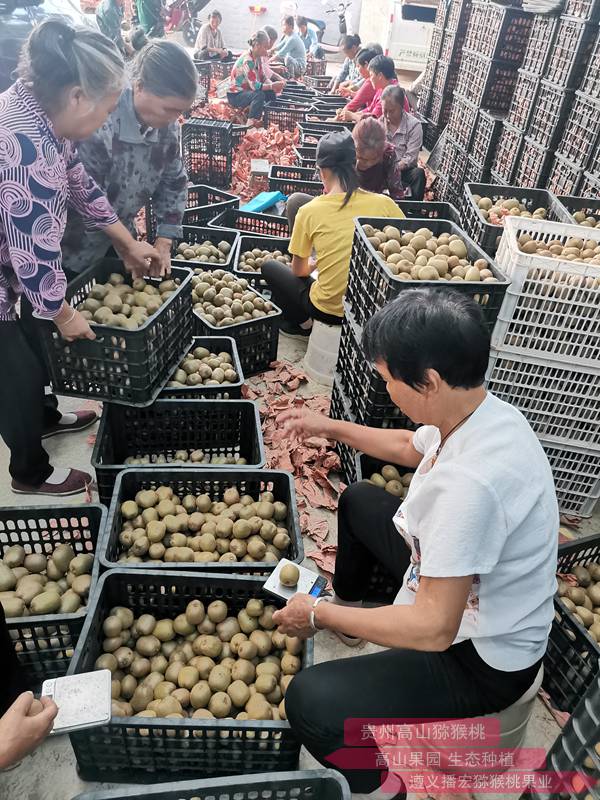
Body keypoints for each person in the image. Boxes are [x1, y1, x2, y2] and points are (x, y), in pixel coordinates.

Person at [273, 289, 559, 795]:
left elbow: (433, 629)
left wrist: (316, 616)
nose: (385, 391)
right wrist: (326, 425)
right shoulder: (481, 413)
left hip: (484, 656)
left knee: (310, 703)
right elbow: (409, 444)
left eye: (388, 379)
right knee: (361, 499)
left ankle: (384, 786)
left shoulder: (470, 488)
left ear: (428, 382)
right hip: (461, 585)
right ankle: (356, 611)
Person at [0, 20, 160, 497]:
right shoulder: (26, 150)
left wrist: (126, 240)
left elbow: (77, 180)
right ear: (76, 97)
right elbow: (34, 256)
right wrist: (65, 313)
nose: (109, 119)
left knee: (33, 337)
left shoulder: (39, 110)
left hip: (14, 264)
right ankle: (29, 471)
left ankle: (46, 417)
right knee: (16, 371)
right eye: (108, 108)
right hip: (12, 266)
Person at [62, 40, 196, 276]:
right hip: (72, 247)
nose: (175, 118)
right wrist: (126, 245)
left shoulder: (167, 128)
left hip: (123, 240)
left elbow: (173, 181)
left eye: (181, 111)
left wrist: (165, 239)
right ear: (140, 87)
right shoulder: (100, 123)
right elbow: (87, 199)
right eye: (169, 109)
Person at [261, 130, 402, 339]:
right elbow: (403, 241)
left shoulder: (309, 211)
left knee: (269, 266)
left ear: (322, 172)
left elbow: (299, 271)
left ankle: (303, 326)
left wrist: (313, 265)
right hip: (373, 310)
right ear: (355, 165)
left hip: (329, 312)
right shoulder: (385, 204)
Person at [228, 31, 284, 127]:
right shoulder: (248, 60)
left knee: (270, 92)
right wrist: (272, 85)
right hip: (235, 95)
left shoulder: (257, 57)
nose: (266, 51)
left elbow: (263, 76)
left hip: (247, 91)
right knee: (259, 95)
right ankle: (250, 125)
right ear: (257, 45)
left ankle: (273, 119)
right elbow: (255, 86)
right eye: (265, 47)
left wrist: (273, 86)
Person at [382, 84, 426, 200]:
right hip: (381, 171)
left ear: (402, 107)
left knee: (418, 174)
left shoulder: (414, 126)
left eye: (391, 111)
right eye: (384, 110)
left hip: (403, 171)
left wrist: (394, 169)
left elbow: (410, 158)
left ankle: (413, 210)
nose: (387, 115)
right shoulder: (379, 124)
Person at [353, 117, 404, 201]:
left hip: (376, 201)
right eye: (360, 158)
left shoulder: (388, 154)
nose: (365, 164)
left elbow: (396, 191)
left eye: (371, 160)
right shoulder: (346, 151)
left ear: (380, 154)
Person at [338, 54, 398, 122]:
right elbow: (370, 108)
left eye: (371, 75)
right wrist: (354, 114)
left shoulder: (390, 95)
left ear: (380, 76)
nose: (370, 79)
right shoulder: (382, 88)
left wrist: (353, 116)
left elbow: (373, 122)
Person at [335, 45, 380, 117]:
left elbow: (353, 105)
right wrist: (350, 93)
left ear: (366, 65)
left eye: (358, 66)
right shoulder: (371, 80)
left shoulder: (371, 82)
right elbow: (370, 107)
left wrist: (334, 119)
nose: (358, 70)